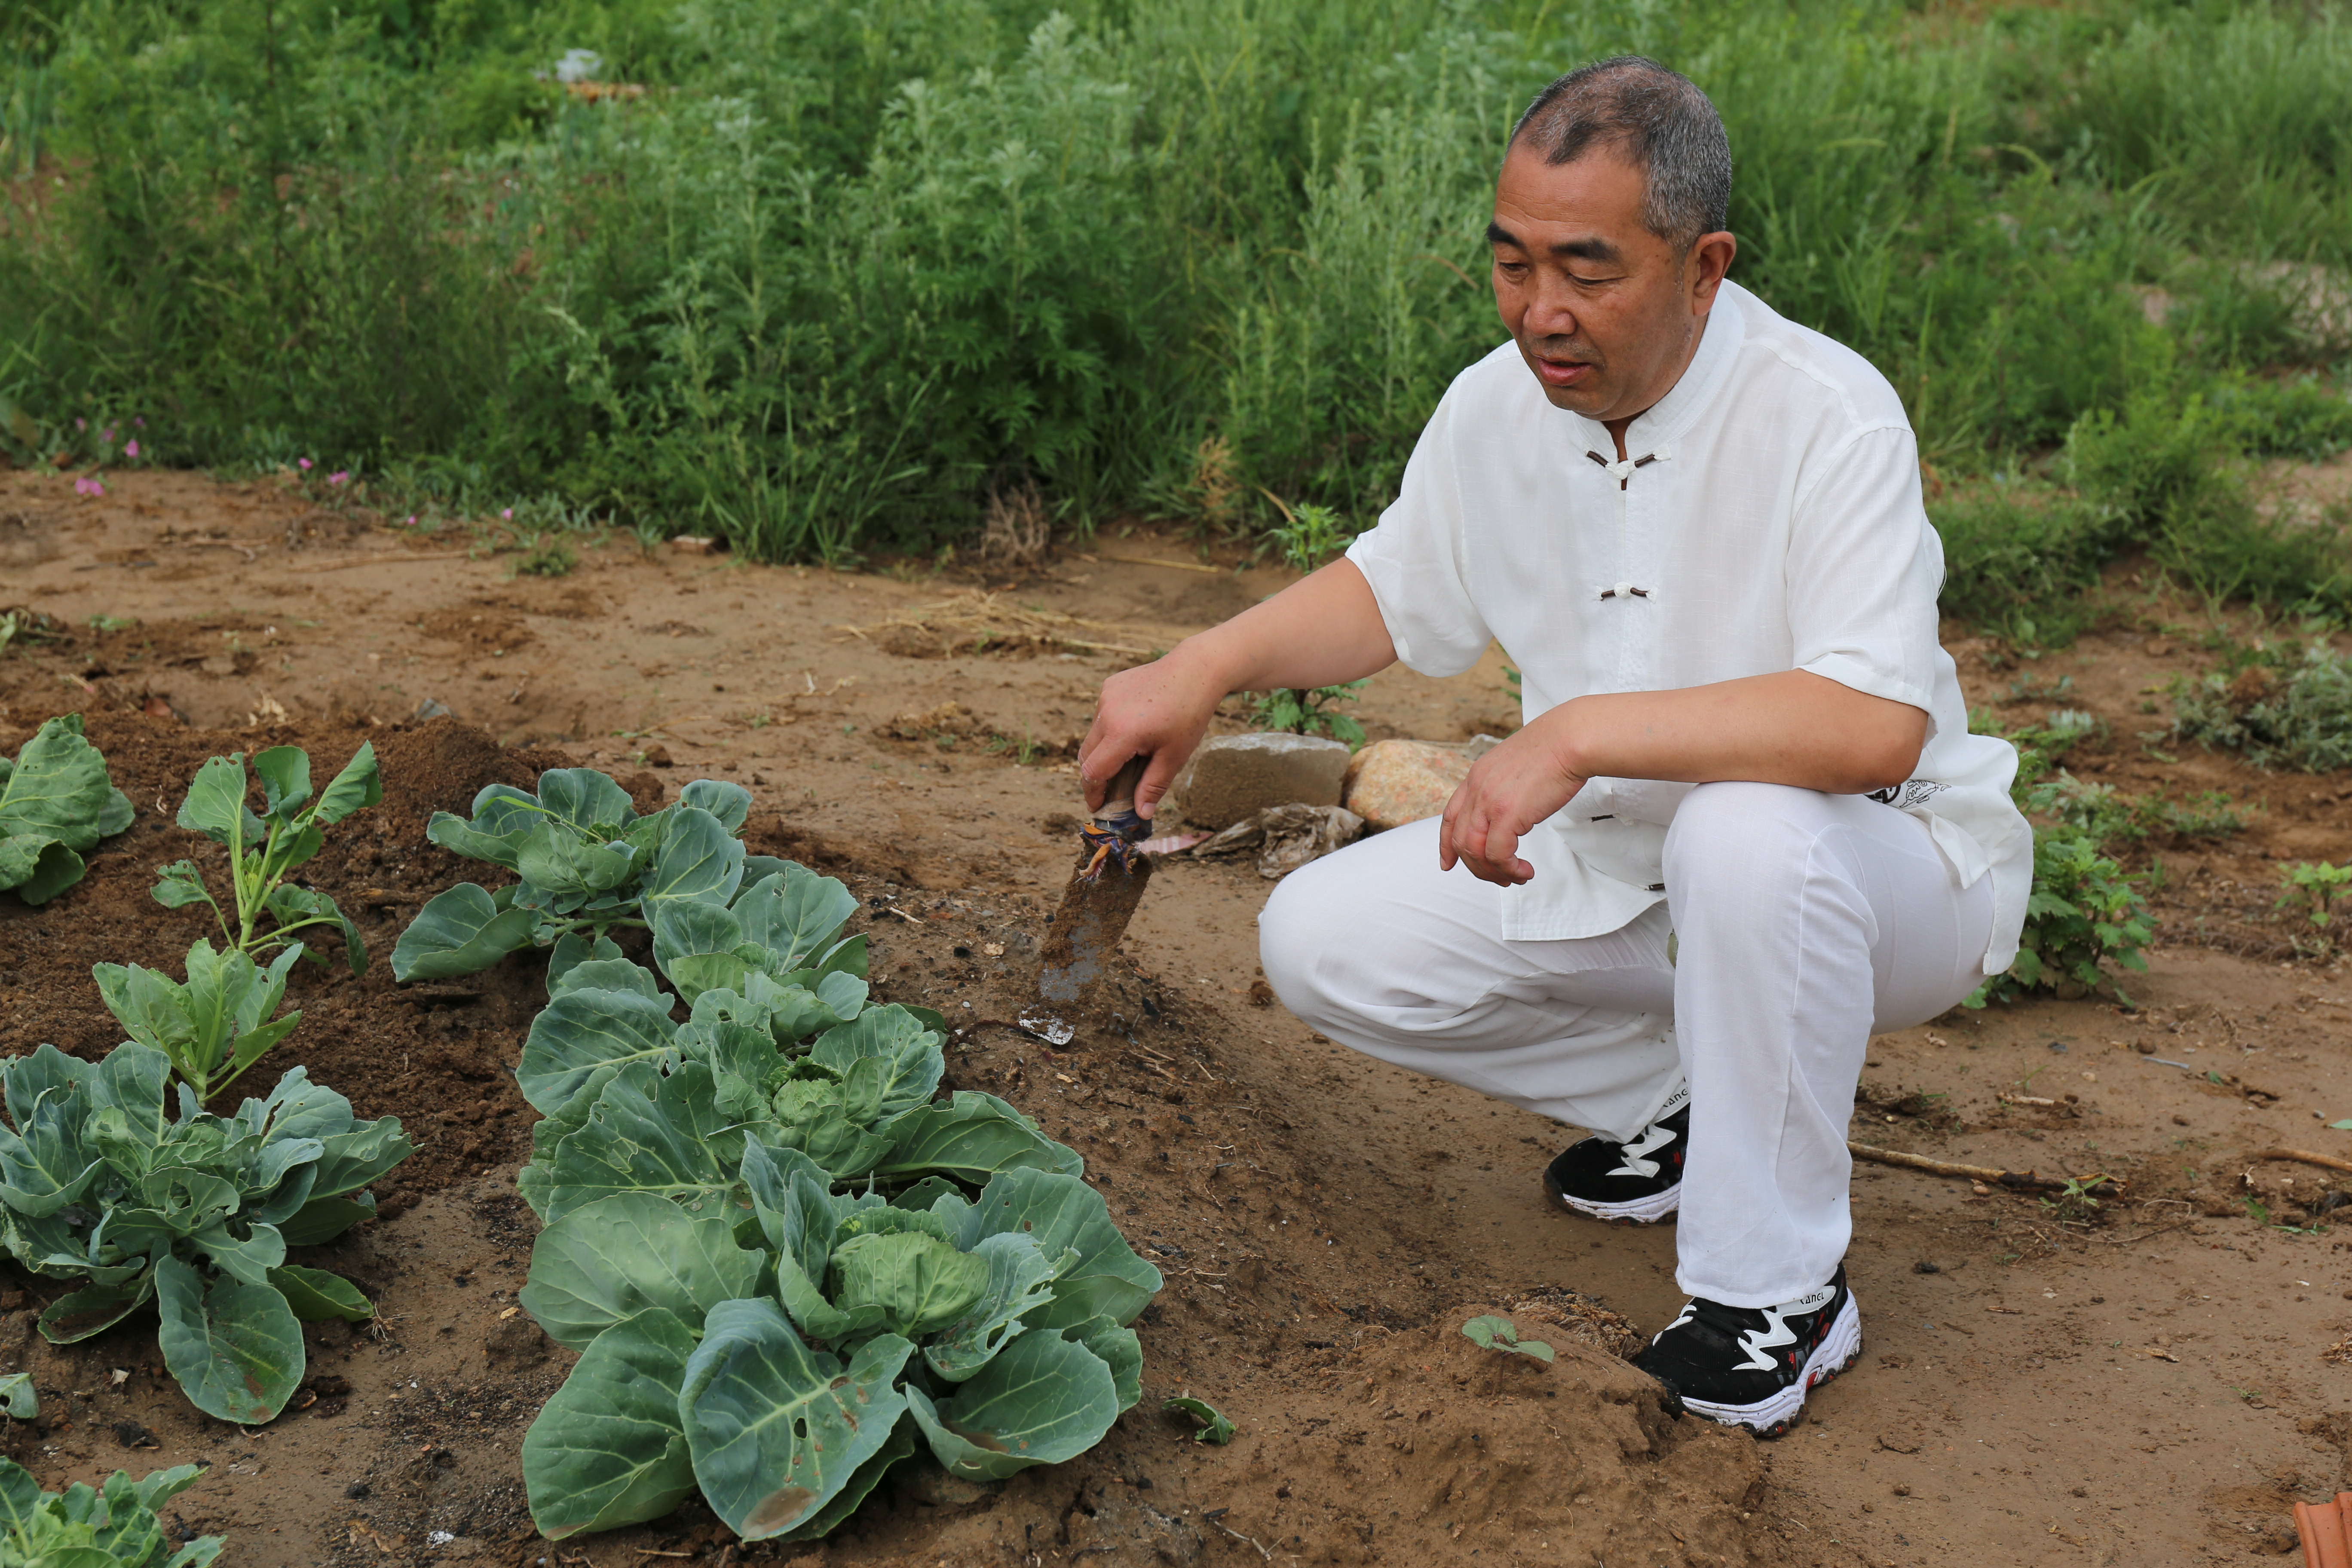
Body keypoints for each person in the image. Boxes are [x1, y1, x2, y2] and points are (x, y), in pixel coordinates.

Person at [1075, 55, 2029, 1437]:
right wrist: (1200, 667)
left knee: (1745, 830)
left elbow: (1872, 722)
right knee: (1324, 941)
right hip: (1630, 872)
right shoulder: (1495, 406)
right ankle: (1699, 1109)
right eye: (1513, 264)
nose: (1542, 312)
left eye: (1589, 269)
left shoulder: (1827, 413)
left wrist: (1576, 733)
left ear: (1704, 268)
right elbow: (1393, 591)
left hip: (1888, 876)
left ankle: (1778, 1296)